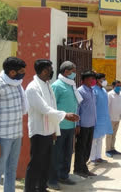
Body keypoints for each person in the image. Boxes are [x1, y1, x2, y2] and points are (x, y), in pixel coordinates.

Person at [24, 59, 79, 192]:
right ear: (43, 71)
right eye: (49, 69)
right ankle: (30, 189)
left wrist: (55, 129)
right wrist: (65, 115)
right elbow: (45, 109)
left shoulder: (47, 84)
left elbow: (53, 106)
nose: (51, 72)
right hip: (38, 131)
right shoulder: (33, 88)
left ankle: (42, 188)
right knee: (36, 163)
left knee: (46, 163)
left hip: (49, 131)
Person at [0, 57, 27, 192]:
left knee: (11, 170)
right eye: (21, 71)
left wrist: (19, 135)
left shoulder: (17, 84)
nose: (23, 74)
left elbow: (19, 110)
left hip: (16, 135)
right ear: (12, 72)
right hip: (2, 137)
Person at [48, 61, 82, 190]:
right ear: (66, 71)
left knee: (68, 153)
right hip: (60, 126)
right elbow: (52, 106)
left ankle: (64, 175)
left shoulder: (71, 85)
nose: (75, 73)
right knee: (57, 154)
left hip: (70, 126)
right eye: (73, 71)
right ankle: (52, 179)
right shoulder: (57, 85)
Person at [74, 70, 98, 178]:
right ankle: (78, 169)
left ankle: (84, 168)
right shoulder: (80, 91)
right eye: (89, 79)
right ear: (83, 80)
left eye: (93, 79)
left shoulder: (92, 90)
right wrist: (77, 124)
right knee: (81, 148)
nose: (92, 81)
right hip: (83, 125)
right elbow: (77, 108)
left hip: (91, 124)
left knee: (88, 147)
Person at [90, 73, 113, 164]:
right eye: (102, 79)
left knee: (100, 139)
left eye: (104, 79)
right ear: (97, 80)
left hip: (103, 119)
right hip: (96, 119)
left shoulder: (103, 90)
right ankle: (92, 158)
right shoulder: (93, 90)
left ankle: (98, 157)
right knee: (94, 140)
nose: (104, 81)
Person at [106, 80, 121, 157]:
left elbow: (120, 105)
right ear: (113, 86)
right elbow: (106, 106)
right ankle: (108, 150)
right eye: (117, 86)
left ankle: (112, 148)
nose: (119, 87)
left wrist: (120, 115)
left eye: (120, 86)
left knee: (114, 135)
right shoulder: (109, 94)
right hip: (110, 118)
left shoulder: (120, 94)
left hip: (117, 118)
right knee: (109, 135)